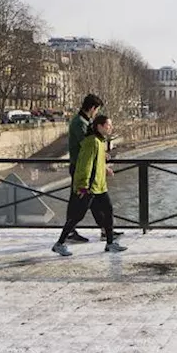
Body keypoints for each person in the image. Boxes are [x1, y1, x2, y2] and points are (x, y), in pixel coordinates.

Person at [53, 115, 126, 256]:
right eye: (108, 125)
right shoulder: (91, 142)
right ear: (99, 126)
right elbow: (84, 165)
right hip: (90, 187)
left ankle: (110, 243)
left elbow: (96, 163)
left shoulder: (99, 141)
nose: (111, 128)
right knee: (77, 217)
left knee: (109, 211)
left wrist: (105, 170)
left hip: (100, 186)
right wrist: (82, 186)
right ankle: (59, 243)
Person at [63, 94, 104, 243]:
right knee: (79, 200)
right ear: (92, 108)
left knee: (94, 199)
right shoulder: (80, 123)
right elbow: (87, 145)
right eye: (97, 109)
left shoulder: (83, 121)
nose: (96, 113)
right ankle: (69, 231)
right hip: (81, 168)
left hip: (84, 167)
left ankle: (105, 228)